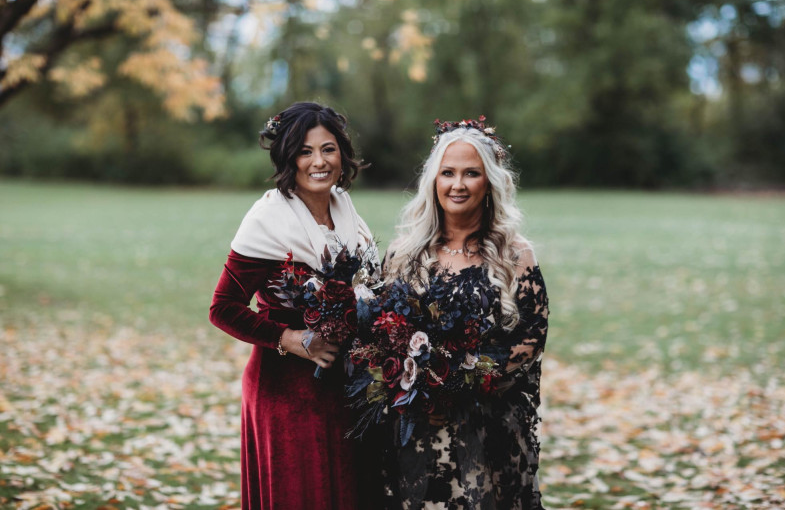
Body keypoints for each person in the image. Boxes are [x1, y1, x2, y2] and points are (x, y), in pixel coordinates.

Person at [209, 102, 377, 509]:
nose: (318, 161)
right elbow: (223, 306)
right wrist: (290, 338)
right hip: (285, 392)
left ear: (342, 154)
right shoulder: (268, 220)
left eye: (328, 149)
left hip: (344, 386)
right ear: (288, 157)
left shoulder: (345, 210)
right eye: (305, 151)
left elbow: (371, 286)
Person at [379, 118, 549, 509]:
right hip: (414, 431)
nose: (458, 185)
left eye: (471, 173)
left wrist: (455, 385)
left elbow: (530, 339)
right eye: (448, 173)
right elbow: (380, 334)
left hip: (488, 430)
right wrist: (415, 388)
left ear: (489, 182)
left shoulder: (515, 255)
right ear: (433, 181)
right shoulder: (403, 254)